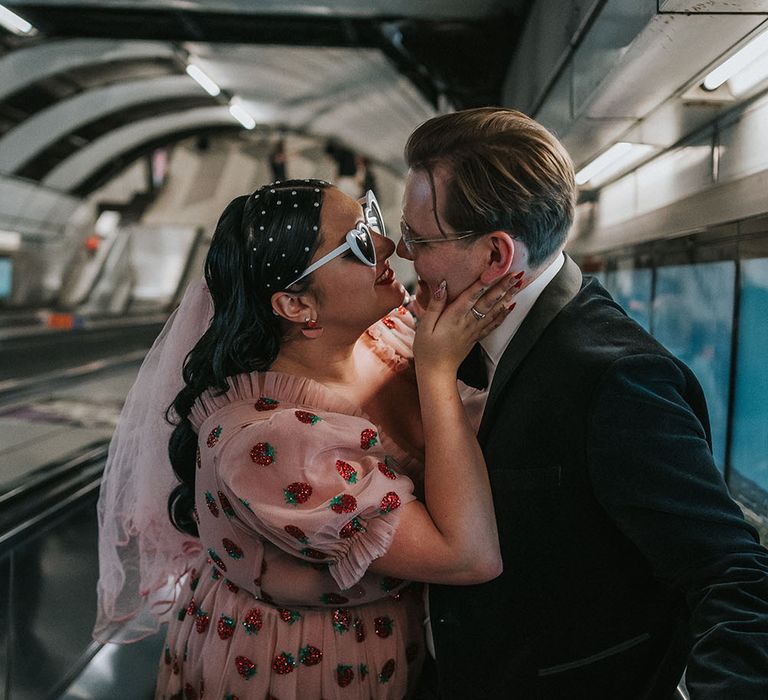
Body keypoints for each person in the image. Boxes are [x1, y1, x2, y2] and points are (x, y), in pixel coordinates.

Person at [94, 178, 517, 700]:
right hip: (304, 667)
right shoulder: (271, 445)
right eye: (359, 244)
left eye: (371, 223)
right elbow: (468, 556)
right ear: (295, 306)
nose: (389, 248)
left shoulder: (381, 338)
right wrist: (436, 374)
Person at [396, 107, 768, 699]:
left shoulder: (615, 379)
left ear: (497, 257)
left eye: (418, 238)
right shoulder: (445, 335)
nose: (402, 250)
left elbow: (731, 574)